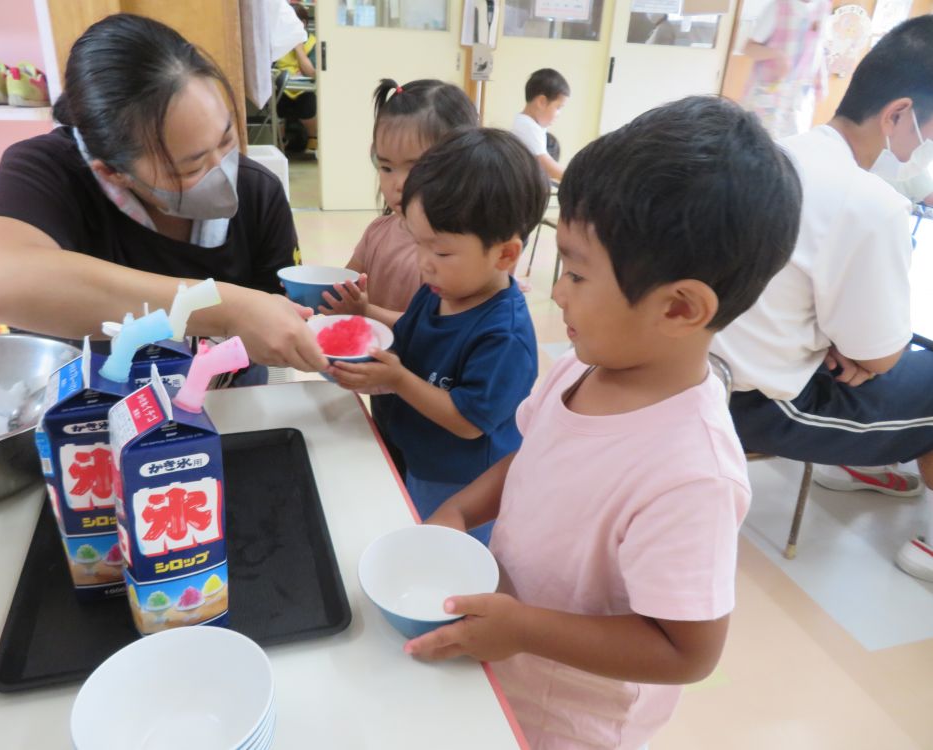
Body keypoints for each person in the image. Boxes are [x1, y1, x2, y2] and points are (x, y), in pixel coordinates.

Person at [405, 97, 802, 749]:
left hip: (574, 722)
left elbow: (687, 651)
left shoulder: (691, 473)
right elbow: (527, 459)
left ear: (679, 307)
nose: (557, 291)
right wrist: (458, 512)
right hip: (507, 665)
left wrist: (523, 628)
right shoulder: (579, 369)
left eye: (578, 273)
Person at [0, 13, 327, 374]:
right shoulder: (46, 170)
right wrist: (226, 309)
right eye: (191, 167)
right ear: (112, 171)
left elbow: (280, 317)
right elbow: (2, 283)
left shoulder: (258, 191)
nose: (223, 170)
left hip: (223, 401)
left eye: (227, 138)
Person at [711, 16, 933, 582]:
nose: (925, 155)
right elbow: (880, 358)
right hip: (765, 401)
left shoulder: (783, 152)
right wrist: (860, 351)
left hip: (713, 375)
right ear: (898, 115)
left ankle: (872, 467)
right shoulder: (871, 203)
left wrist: (848, 344)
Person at [329, 128, 548, 544]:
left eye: (441, 251)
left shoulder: (504, 336)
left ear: (505, 254)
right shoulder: (444, 289)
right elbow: (410, 329)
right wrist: (365, 312)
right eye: (418, 243)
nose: (424, 264)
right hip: (421, 455)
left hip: (462, 481)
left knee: (449, 553)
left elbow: (467, 422)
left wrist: (396, 380)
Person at [320, 78, 478, 477]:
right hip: (380, 382)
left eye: (416, 167)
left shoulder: (460, 256)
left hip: (430, 397)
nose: (397, 182)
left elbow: (437, 331)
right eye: (385, 166)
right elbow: (348, 285)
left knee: (418, 473)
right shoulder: (379, 231)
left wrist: (367, 308)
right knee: (385, 462)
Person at [741, 0, 831, 139]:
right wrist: (777, 55)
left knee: (790, 147)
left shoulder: (823, 7)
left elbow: (819, 47)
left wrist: (820, 81)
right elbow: (749, 48)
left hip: (800, 97)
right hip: (769, 93)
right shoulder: (779, 7)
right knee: (758, 143)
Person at [274, 3, 318, 152]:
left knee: (309, 102)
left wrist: (298, 48)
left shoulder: (313, 43)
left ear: (303, 24)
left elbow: (312, 72)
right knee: (275, 100)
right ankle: (281, 143)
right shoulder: (279, 41)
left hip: (304, 89)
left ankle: (313, 140)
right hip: (282, 89)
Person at [511, 68, 568, 181]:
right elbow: (546, 165)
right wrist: (573, 177)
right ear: (541, 102)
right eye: (558, 107)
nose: (559, 114)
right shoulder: (527, 126)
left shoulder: (529, 123)